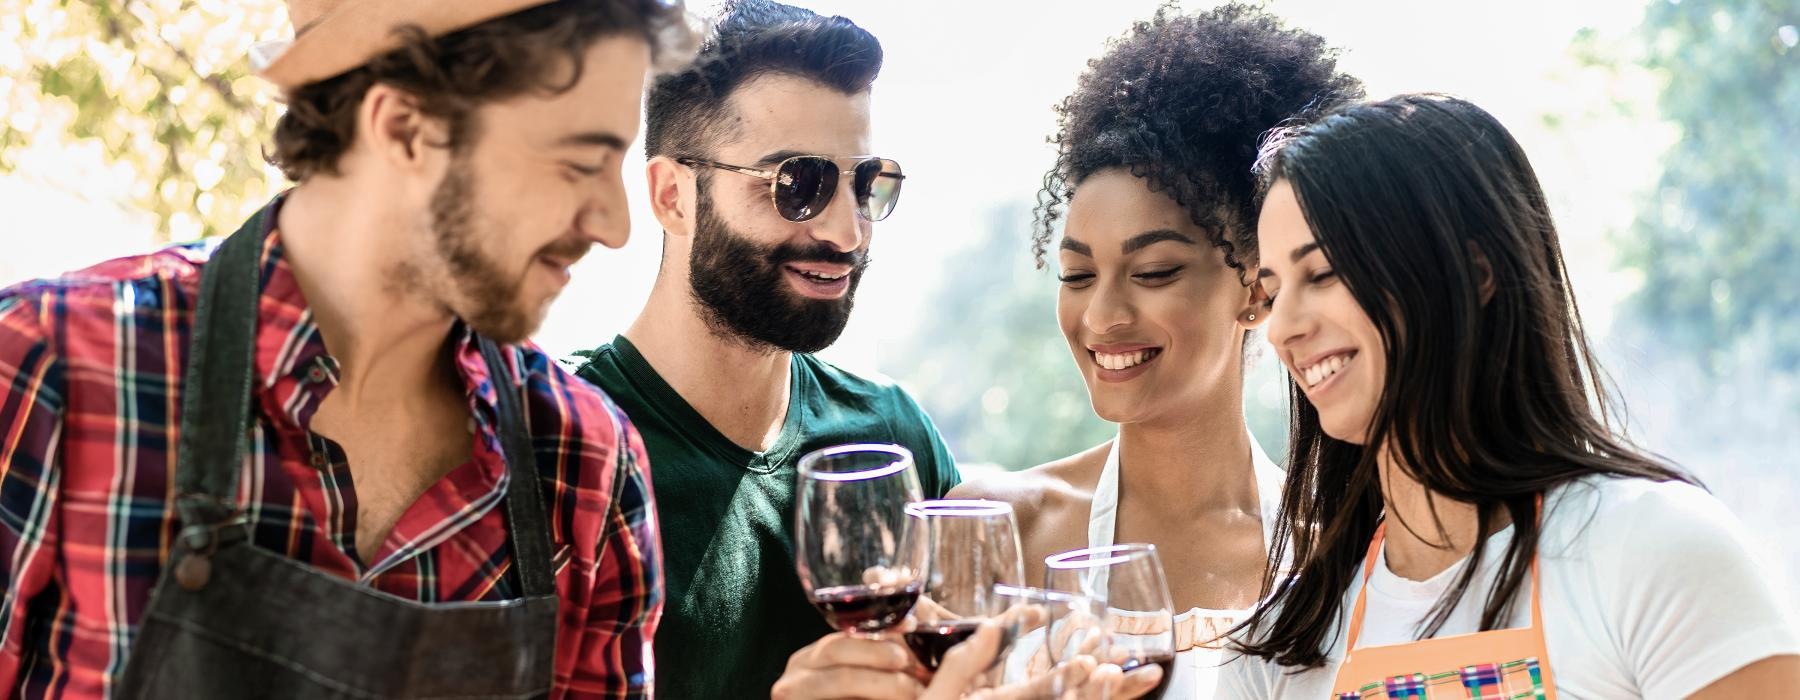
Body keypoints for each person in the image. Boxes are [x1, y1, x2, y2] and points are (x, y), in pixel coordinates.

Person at [0, 1, 693, 697]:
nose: (616, 226)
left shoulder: (588, 462)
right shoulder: (49, 364)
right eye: (580, 163)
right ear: (404, 128)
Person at [1222, 93, 1800, 698]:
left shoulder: (1657, 551)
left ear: (1474, 275)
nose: (1284, 327)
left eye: (1323, 274)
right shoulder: (1282, 650)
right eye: (1272, 290)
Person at [947, 5, 1360, 698]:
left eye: (1154, 272)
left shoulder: (1337, 554)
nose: (1103, 315)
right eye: (1078, 275)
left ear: (1257, 292)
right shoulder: (998, 528)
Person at [571, 1, 959, 696]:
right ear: (672, 196)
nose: (848, 232)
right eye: (797, 185)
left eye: (866, 184)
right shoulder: (566, 451)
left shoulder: (894, 439)